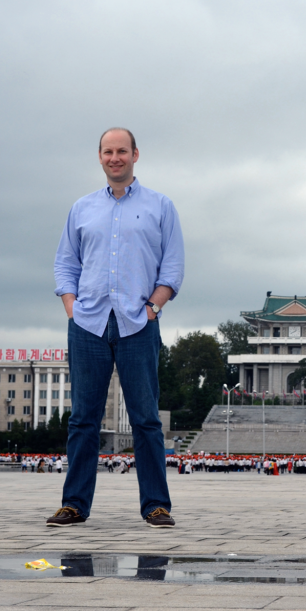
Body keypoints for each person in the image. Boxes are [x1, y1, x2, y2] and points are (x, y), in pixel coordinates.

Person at [49, 127, 184, 529]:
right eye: (108, 152)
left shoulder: (161, 206)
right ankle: (73, 504)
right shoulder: (82, 208)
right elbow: (65, 262)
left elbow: (172, 266)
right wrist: (71, 307)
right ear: (100, 157)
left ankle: (156, 505)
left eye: (122, 151)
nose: (115, 158)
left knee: (146, 418)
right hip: (88, 322)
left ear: (135, 155)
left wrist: (153, 308)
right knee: (82, 420)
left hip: (137, 323)